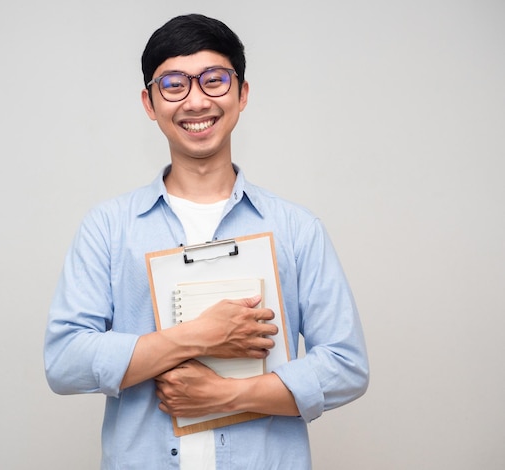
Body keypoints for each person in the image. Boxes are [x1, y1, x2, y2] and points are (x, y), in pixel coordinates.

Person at [44, 13, 369, 470]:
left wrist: (228, 394)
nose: (196, 101)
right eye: (174, 84)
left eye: (214, 80)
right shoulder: (109, 227)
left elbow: (346, 365)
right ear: (149, 102)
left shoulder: (297, 228)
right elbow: (64, 361)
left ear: (242, 94)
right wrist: (197, 336)